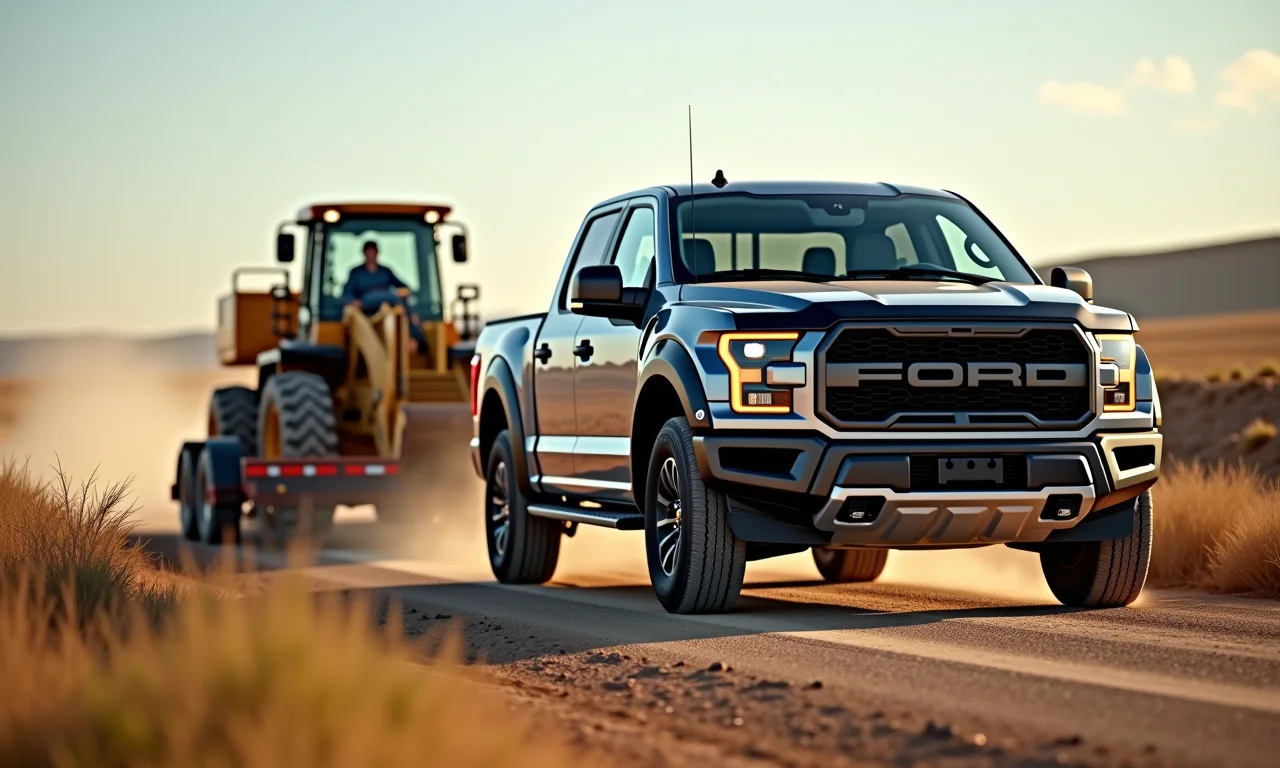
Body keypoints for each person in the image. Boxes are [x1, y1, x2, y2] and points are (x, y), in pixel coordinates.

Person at [339, 240, 427, 352]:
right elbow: (347, 294)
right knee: (394, 298)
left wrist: (405, 292)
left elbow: (403, 287)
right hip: (366, 306)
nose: (371, 255)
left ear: (377, 253)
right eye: (368, 252)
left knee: (400, 301)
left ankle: (415, 337)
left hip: (386, 307)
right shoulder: (357, 273)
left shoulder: (385, 272)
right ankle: (417, 338)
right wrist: (354, 302)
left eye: (373, 252)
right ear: (364, 254)